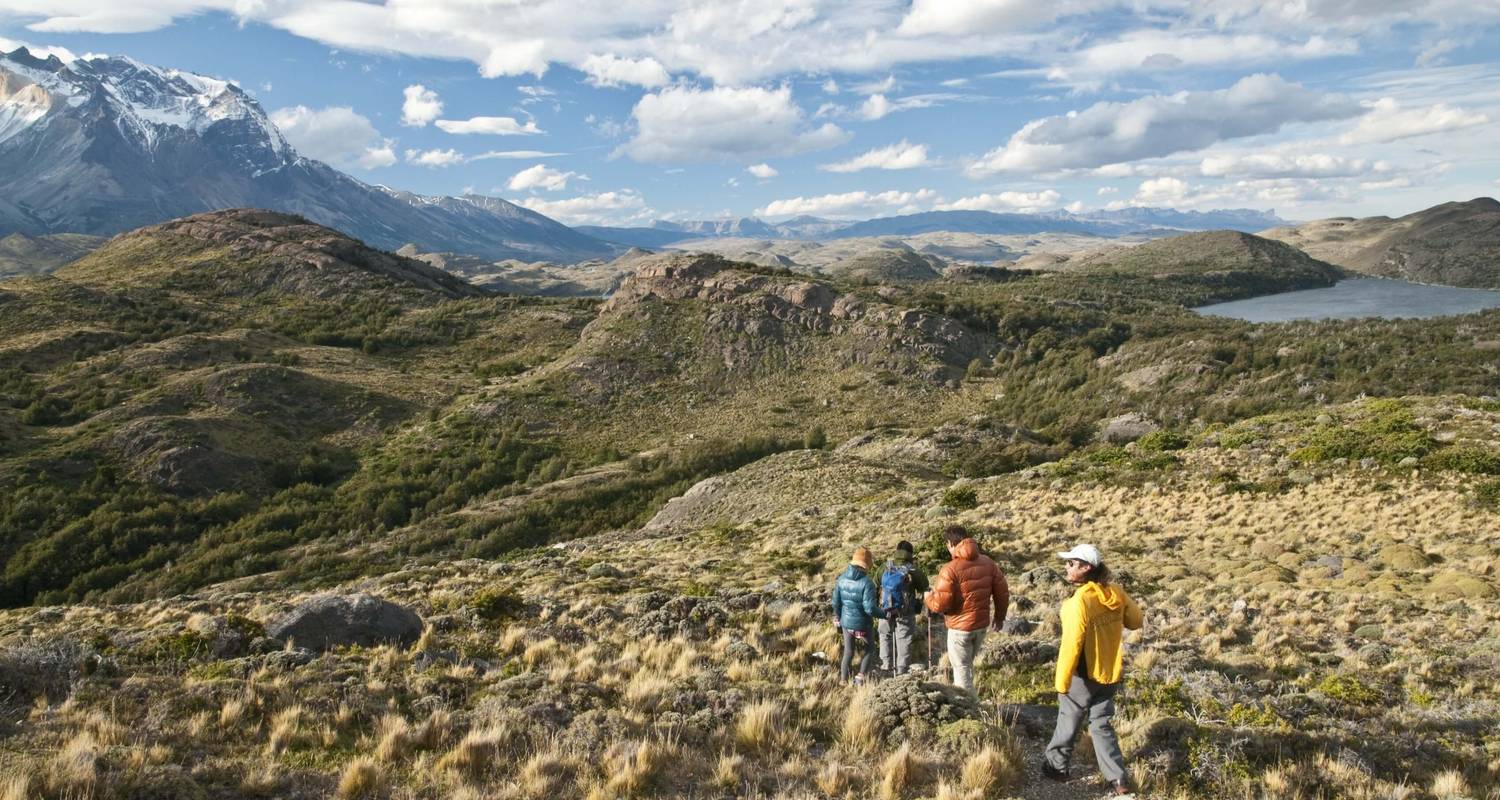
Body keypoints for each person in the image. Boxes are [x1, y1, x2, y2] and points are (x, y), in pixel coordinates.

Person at [1042, 544, 1143, 796]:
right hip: (1110, 672)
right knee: (1101, 725)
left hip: (1083, 675)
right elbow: (1136, 620)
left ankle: (1057, 767)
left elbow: (1071, 645)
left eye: (1072, 563)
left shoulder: (1079, 602)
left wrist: (1062, 682)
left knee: (1069, 718)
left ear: (1087, 568)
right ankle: (1118, 780)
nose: (1067, 567)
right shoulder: (1116, 592)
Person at [924, 525, 1009, 692]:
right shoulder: (989, 563)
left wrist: (928, 598)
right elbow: (1002, 594)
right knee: (967, 667)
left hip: (959, 629)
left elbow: (939, 604)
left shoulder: (950, 569)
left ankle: (970, 710)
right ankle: (971, 703)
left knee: (962, 671)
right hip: (980, 626)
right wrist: (999, 618)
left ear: (950, 544)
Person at [877, 540, 930, 676]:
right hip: (905, 612)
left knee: (885, 635)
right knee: (904, 638)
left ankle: (886, 664)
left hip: (885, 609)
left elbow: (875, 584)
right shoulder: (913, 570)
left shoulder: (885, 566)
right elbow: (925, 586)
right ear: (910, 554)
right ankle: (901, 669)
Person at [831, 546, 879, 683]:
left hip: (846, 623)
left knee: (848, 652)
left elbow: (835, 602)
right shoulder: (867, 583)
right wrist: (883, 615)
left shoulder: (841, 579)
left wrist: (838, 618)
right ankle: (860, 677)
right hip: (863, 624)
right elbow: (870, 609)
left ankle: (843, 680)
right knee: (870, 649)